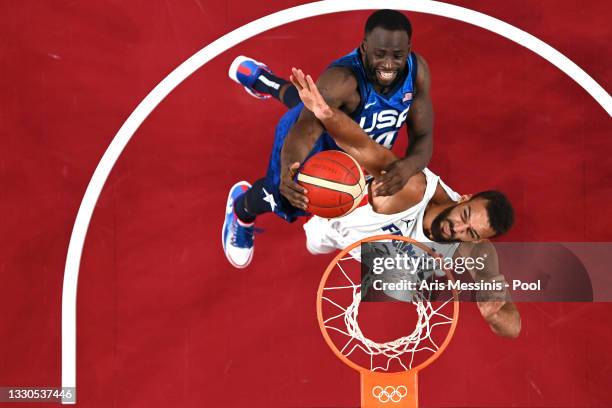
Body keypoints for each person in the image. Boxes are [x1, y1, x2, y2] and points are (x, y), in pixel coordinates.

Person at [291, 67, 521, 338]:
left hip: (362, 253)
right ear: (464, 198)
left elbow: (513, 327)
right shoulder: (414, 187)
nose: (458, 229)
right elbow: (364, 147)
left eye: (471, 232)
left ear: (479, 239)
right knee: (304, 226)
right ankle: (267, 83)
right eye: (465, 214)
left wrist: (495, 314)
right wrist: (326, 113)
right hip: (336, 221)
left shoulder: (475, 253)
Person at [223, 10, 434, 268]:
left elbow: (423, 135)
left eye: (397, 55)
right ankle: (241, 209)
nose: (389, 64)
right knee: (284, 196)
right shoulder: (342, 80)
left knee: (309, 99)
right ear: (364, 47)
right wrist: (290, 167)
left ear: (409, 49)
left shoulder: (417, 70)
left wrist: (408, 166)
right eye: (380, 54)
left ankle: (262, 80)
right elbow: (307, 127)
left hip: (358, 153)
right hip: (315, 149)